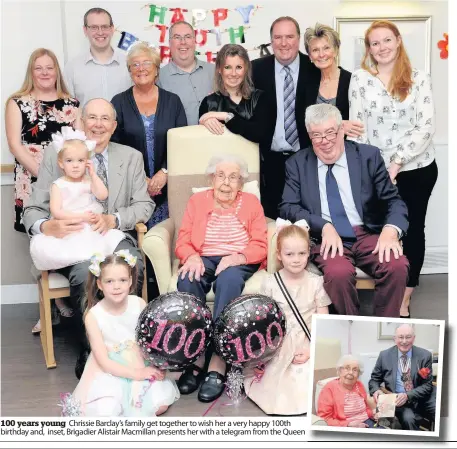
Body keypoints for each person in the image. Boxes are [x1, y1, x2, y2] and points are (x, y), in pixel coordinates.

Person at [23, 98, 154, 379]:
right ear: (81, 122)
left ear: (114, 126)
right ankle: (94, 349)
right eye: (91, 118)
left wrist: (114, 219)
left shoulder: (131, 157)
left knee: (133, 263)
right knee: (87, 273)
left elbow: (145, 205)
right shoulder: (57, 155)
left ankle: (130, 344)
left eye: (105, 119)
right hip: (76, 243)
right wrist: (48, 226)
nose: (98, 124)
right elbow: (32, 209)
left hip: (111, 235)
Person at [280, 103, 409, 317]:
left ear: (342, 130)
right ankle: (350, 328)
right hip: (326, 239)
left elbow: (394, 201)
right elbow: (288, 206)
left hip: (366, 232)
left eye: (331, 132)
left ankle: (385, 326)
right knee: (338, 274)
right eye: (317, 135)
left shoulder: (368, 156)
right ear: (310, 136)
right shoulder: (297, 163)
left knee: (396, 265)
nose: (325, 141)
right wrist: (323, 226)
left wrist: (391, 230)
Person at [348, 21, 438, 318]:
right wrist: (369, 168)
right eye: (375, 43)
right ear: (369, 48)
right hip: (375, 170)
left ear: (398, 41)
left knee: (412, 231)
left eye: (387, 40)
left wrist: (396, 163)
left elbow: (425, 127)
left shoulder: (418, 78)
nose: (382, 47)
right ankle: (387, 284)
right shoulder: (360, 79)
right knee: (378, 229)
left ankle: (405, 297)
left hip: (415, 168)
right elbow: (357, 128)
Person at [175, 154, 267, 403]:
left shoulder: (251, 203)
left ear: (242, 182)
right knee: (187, 279)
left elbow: (261, 244)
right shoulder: (197, 201)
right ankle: (197, 355)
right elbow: (182, 240)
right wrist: (191, 256)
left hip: (238, 259)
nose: (226, 182)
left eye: (234, 177)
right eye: (221, 175)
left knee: (228, 280)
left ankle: (217, 359)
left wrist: (238, 257)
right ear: (211, 178)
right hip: (204, 256)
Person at [65, 251, 179, 416]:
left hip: (140, 360)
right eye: (109, 281)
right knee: (108, 408)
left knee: (159, 405)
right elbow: (103, 361)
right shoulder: (93, 316)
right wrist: (137, 374)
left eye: (122, 280)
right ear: (99, 284)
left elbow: (148, 342)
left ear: (130, 281)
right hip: (110, 368)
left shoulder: (139, 304)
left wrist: (154, 366)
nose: (116, 286)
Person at [244, 220, 330, 415]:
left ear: (309, 253)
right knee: (276, 385)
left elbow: (322, 320)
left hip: (306, 341)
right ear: (279, 256)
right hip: (279, 344)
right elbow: (264, 323)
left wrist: (311, 349)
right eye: (289, 254)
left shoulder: (316, 283)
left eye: (302, 253)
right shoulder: (270, 283)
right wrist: (262, 356)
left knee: (307, 382)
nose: (296, 259)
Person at [251, 16, 321, 219]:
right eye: (278, 37)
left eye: (289, 36)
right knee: (272, 220)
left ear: (298, 39)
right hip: (269, 161)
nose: (283, 43)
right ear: (271, 40)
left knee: (308, 219)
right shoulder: (256, 69)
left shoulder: (315, 68)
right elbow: (238, 101)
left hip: (308, 158)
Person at [111, 42, 187, 229]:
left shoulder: (173, 101)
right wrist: (140, 177)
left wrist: (165, 172)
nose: (141, 69)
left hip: (169, 185)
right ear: (129, 71)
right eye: (135, 65)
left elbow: (181, 142)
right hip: (131, 187)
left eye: (146, 63)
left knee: (165, 240)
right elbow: (114, 146)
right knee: (136, 241)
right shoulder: (118, 102)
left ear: (156, 69)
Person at [5, 48, 79, 233]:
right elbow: (15, 145)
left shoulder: (73, 104)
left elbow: (80, 146)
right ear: (31, 72)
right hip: (32, 179)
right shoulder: (17, 103)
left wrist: (63, 180)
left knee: (68, 235)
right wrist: (46, 177)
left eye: (49, 67)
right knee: (39, 238)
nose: (45, 72)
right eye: (38, 68)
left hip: (66, 182)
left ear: (57, 71)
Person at [30, 128, 125, 271]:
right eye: (69, 161)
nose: (75, 165)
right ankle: (85, 266)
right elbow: (57, 211)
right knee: (79, 252)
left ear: (87, 162)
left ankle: (97, 267)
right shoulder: (59, 185)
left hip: (91, 228)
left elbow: (103, 195)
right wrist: (81, 217)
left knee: (104, 247)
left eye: (80, 160)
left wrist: (93, 175)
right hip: (72, 227)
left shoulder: (88, 181)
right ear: (61, 163)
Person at [198, 44, 272, 144]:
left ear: (246, 69)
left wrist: (225, 116)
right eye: (227, 67)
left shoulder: (259, 98)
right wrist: (205, 123)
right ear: (219, 69)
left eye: (239, 67)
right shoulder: (208, 102)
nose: (233, 73)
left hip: (252, 159)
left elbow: (260, 134)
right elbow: (203, 142)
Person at [369, 324, 436, 430]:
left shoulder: (425, 355)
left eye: (408, 337)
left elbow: (427, 385)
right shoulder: (384, 355)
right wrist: (376, 390)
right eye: (400, 337)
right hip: (398, 400)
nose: (404, 341)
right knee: (407, 419)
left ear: (414, 338)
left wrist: (407, 395)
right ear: (394, 339)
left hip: (423, 396)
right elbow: (374, 380)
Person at [303, 23, 364, 138]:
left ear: (336, 50)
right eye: (315, 50)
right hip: (315, 151)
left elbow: (362, 123)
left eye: (326, 48)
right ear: (310, 56)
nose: (321, 55)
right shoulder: (306, 83)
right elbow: (304, 124)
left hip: (347, 150)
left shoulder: (353, 81)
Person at [64, 7, 132, 108]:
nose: (100, 32)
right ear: (85, 30)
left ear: (112, 29)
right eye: (94, 27)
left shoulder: (129, 64)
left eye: (104, 26)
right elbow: (68, 108)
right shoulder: (72, 68)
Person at [157, 21, 215, 125]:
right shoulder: (159, 78)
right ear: (170, 43)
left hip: (216, 138)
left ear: (194, 41)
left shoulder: (215, 71)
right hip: (180, 140)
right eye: (177, 37)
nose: (183, 42)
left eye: (188, 37)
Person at [318, 354, 378, 428]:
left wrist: (373, 414)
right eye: (347, 368)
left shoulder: (359, 385)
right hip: (346, 426)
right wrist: (348, 424)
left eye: (355, 370)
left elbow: (365, 408)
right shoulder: (329, 388)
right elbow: (324, 418)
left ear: (359, 374)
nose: (351, 372)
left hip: (367, 421)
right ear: (340, 371)